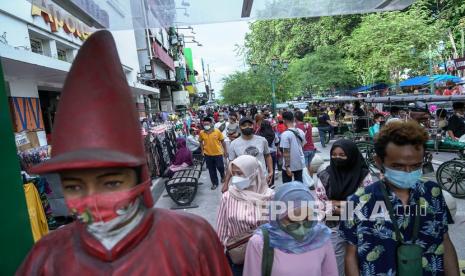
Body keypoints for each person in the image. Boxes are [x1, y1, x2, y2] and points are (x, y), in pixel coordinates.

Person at [16, 31, 231, 276]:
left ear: (139, 177)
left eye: (111, 183)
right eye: (75, 187)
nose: (93, 201)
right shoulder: (46, 257)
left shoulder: (193, 238)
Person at [341, 121, 459, 276]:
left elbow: (445, 241)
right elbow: (350, 255)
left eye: (416, 165)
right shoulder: (355, 202)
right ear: (379, 161)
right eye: (398, 166)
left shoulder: (433, 192)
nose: (408, 172)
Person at [243, 182, 338, 276]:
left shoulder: (320, 237)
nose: (301, 227)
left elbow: (330, 272)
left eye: (307, 220)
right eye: (292, 221)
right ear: (278, 217)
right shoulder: (260, 243)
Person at [315, 139, 372, 276]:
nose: (337, 158)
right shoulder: (325, 176)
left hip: (360, 228)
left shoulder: (363, 175)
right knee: (335, 264)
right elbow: (320, 205)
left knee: (359, 262)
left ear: (351, 155)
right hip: (333, 228)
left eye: (342, 155)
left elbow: (366, 206)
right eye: (334, 155)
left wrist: (335, 204)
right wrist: (350, 206)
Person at [217, 155, 273, 275]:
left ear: (254, 173)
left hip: (266, 256)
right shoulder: (228, 196)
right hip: (239, 257)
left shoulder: (270, 196)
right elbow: (222, 230)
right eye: (234, 174)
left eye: (240, 173)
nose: (236, 178)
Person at [223, 117, 274, 192]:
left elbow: (267, 156)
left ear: (253, 126)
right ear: (240, 127)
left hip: (262, 178)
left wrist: (271, 171)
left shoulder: (262, 140)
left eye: (250, 125)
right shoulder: (234, 144)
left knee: (262, 201)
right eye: (244, 125)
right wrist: (226, 183)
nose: (247, 127)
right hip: (243, 181)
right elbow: (231, 164)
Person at [199, 116, 228, 190]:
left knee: (220, 167)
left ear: (211, 123)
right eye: (204, 124)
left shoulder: (217, 131)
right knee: (211, 170)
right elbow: (200, 142)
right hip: (207, 154)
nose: (206, 126)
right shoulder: (202, 133)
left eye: (207, 124)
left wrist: (225, 151)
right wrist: (202, 150)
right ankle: (215, 183)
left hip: (218, 153)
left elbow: (223, 142)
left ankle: (222, 175)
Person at [280, 111, 306, 183]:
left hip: (289, 166)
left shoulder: (285, 134)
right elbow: (303, 144)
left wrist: (287, 166)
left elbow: (286, 151)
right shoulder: (301, 131)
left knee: (287, 187)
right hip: (299, 163)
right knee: (299, 185)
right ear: (293, 119)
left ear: (284, 120)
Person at [257, 120, 279, 187]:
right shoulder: (273, 133)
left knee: (263, 169)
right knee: (271, 169)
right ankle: (271, 183)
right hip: (272, 153)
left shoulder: (259, 135)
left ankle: (263, 184)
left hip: (263, 154)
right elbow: (277, 142)